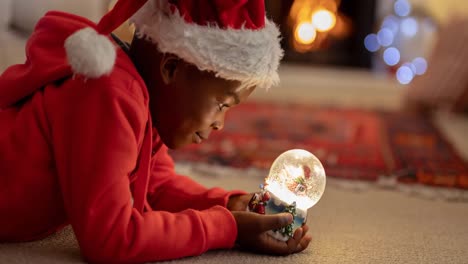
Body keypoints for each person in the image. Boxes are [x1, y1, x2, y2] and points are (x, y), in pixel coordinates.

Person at [0, 0, 311, 263]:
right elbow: (110, 238)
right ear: (171, 68)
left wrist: (228, 204)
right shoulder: (109, 93)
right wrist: (225, 228)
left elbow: (155, 186)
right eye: (221, 103)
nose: (220, 123)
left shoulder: (150, 103)